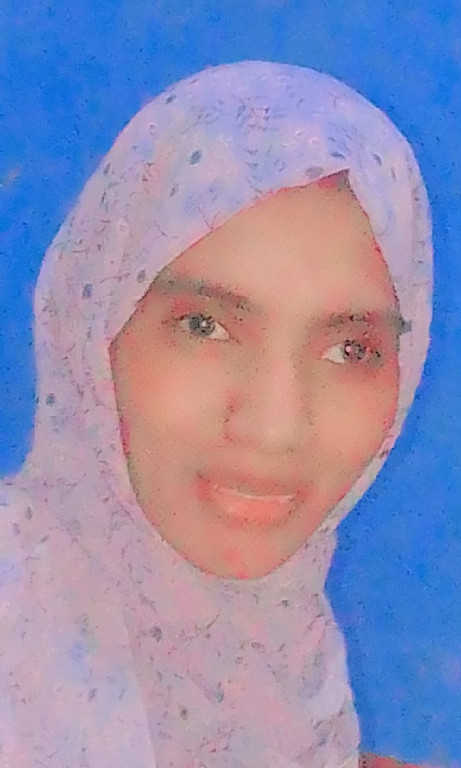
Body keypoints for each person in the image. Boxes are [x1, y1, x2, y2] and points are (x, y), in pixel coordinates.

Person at [0, 60, 434, 768]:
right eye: (204, 327)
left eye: (350, 349)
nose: (275, 426)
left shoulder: (292, 675)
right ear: (91, 327)